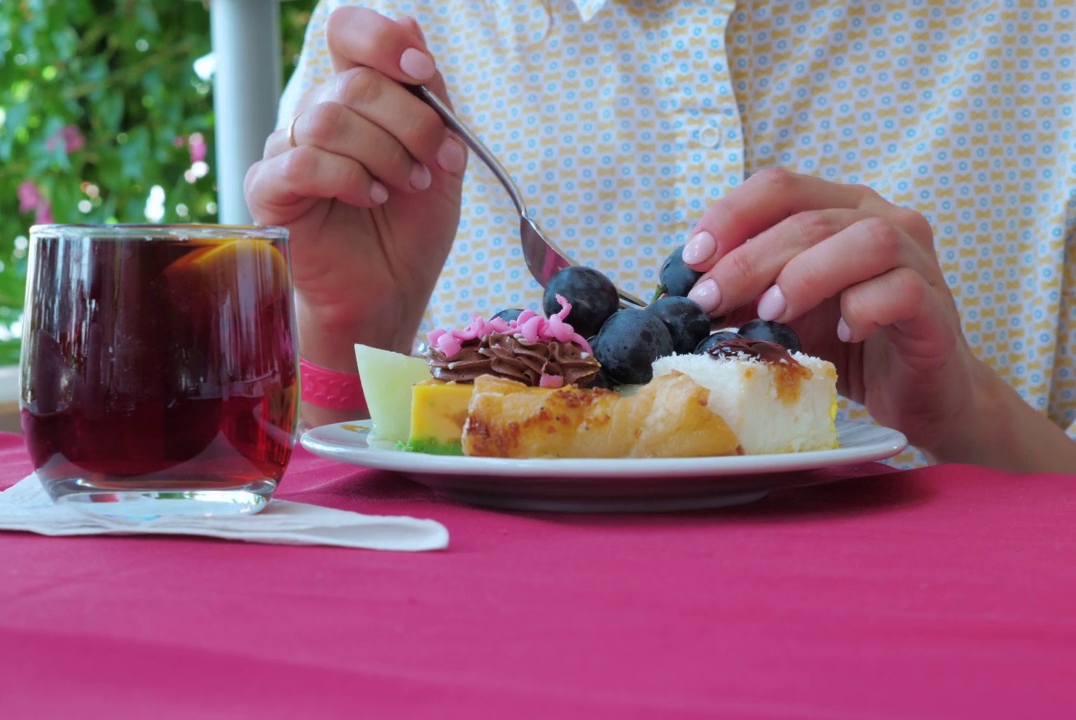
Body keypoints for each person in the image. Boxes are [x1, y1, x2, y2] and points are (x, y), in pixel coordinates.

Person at [244, 1, 1076, 473]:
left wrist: (965, 418)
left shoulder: (1041, 32)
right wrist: (348, 337)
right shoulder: (399, 32)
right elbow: (302, 529)